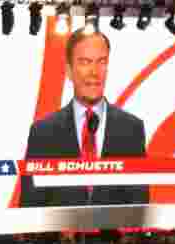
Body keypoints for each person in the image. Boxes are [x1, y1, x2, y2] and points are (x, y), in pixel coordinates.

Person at [20, 28, 149, 209]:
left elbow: (139, 205)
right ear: (69, 71)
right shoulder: (42, 132)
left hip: (112, 236)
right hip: (59, 236)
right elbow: (30, 208)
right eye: (85, 62)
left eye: (101, 62)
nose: (94, 72)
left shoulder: (131, 128)